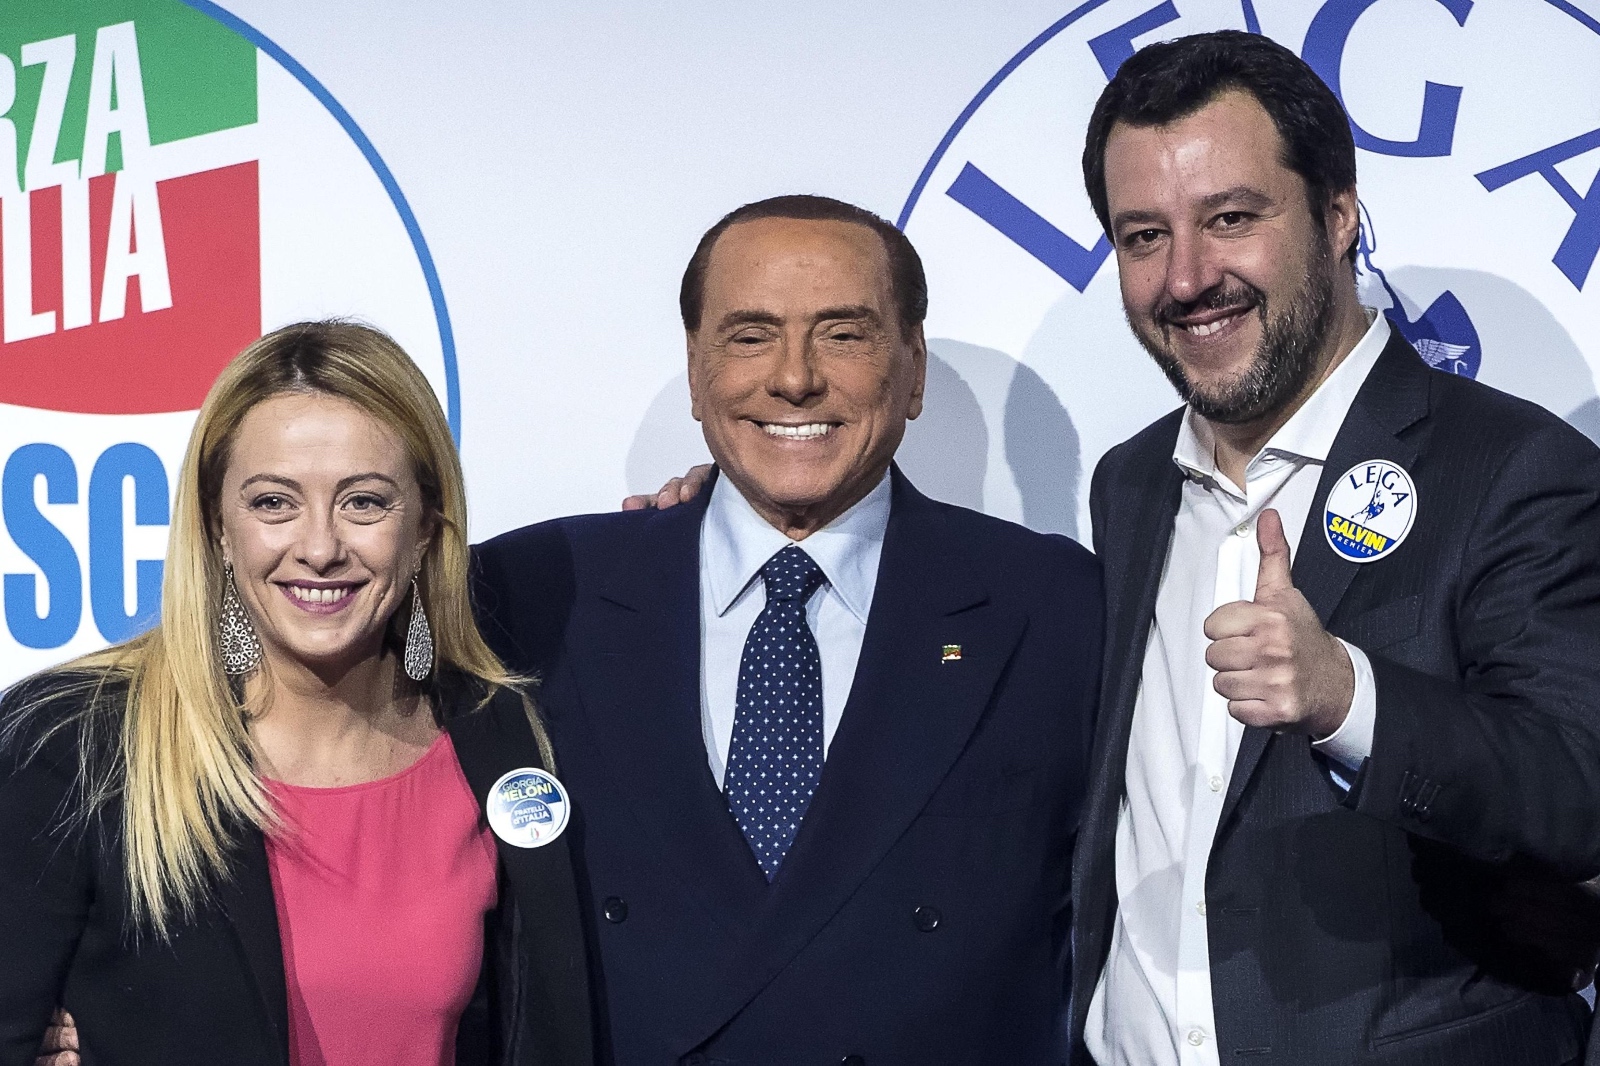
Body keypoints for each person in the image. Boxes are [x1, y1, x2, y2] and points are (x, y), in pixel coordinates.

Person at [1066, 31, 1600, 1066]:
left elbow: (1578, 787)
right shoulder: (1128, 484)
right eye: (1143, 236)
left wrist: (1348, 697)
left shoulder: (1513, 466)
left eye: (1230, 218)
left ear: (1339, 214)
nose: (1187, 277)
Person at [471, 195, 1103, 1064]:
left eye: (843, 334)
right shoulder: (531, 596)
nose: (795, 378)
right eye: (750, 336)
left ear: (913, 369)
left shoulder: (1057, 608)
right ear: (696, 372)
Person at [1, 322, 593, 1066]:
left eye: (364, 502)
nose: (318, 548)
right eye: (274, 503)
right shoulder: (73, 744)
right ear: (218, 526)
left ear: (424, 529)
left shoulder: (496, 739)